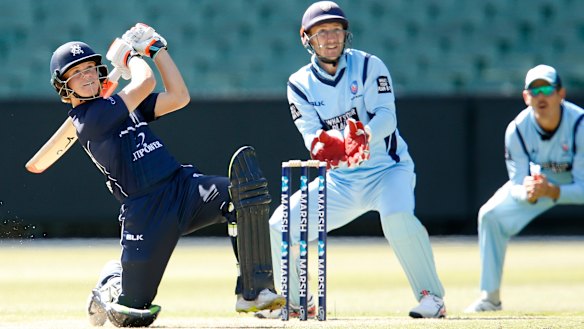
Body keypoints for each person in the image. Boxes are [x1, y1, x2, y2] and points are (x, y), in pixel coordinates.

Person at [48, 23, 283, 327]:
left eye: (91, 68)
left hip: (182, 188)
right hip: (146, 211)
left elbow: (179, 96)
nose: (88, 76)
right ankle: (113, 282)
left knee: (244, 195)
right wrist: (130, 57)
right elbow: (143, 83)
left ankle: (254, 293)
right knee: (131, 316)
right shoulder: (87, 119)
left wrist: (157, 51)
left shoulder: (117, 104)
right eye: (77, 73)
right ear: (63, 86)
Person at [255, 1, 446, 319]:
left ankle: (432, 297)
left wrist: (365, 136)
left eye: (336, 30)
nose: (331, 38)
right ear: (307, 38)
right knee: (279, 225)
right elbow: (311, 136)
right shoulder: (299, 84)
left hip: (388, 169)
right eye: (321, 32)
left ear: (346, 34)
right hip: (342, 181)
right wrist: (329, 146)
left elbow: (387, 117)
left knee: (397, 217)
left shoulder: (370, 66)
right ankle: (298, 300)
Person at [465, 64, 584, 313]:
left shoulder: (580, 125)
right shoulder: (517, 129)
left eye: (547, 88)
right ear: (525, 97)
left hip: (570, 181)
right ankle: (490, 297)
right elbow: (517, 182)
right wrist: (528, 191)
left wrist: (553, 191)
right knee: (490, 215)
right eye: (534, 89)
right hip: (540, 184)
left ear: (561, 93)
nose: (541, 95)